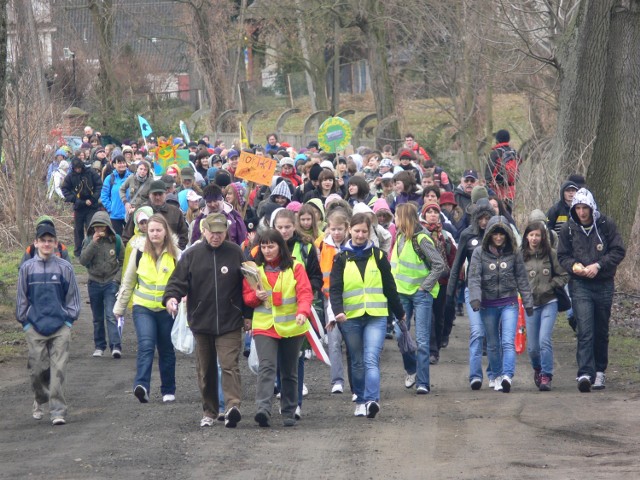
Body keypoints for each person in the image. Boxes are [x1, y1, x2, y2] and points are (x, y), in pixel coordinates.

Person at [164, 213, 250, 428]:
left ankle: (232, 407)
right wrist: (171, 298)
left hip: (230, 321)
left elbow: (249, 285)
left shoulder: (235, 253)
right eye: (212, 232)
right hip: (201, 322)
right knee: (206, 369)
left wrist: (248, 315)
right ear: (203, 231)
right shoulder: (192, 255)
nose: (216, 236)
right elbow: (177, 282)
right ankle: (210, 411)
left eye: (220, 233)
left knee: (229, 364)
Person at [330, 213, 405, 417]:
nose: (361, 235)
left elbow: (390, 287)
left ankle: (372, 400)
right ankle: (360, 400)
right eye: (357, 231)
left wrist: (400, 312)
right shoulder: (340, 258)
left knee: (371, 359)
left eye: (364, 231)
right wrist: (338, 311)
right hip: (351, 317)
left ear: (369, 232)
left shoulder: (379, 256)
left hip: (376, 315)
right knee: (357, 360)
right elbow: (335, 289)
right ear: (349, 231)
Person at [557, 188, 626, 392]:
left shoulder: (606, 225)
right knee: (584, 328)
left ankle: (600, 370)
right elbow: (562, 256)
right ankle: (585, 372)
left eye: (584, 208)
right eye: (577, 208)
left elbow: (618, 250)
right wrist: (574, 266)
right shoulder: (568, 229)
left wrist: (599, 265)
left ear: (591, 207)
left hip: (603, 282)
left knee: (600, 329)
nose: (581, 212)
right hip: (580, 284)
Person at [243, 229, 313, 427]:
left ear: (279, 246)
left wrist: (303, 311)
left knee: (289, 371)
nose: (267, 250)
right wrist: (256, 296)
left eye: (271, 246)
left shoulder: (296, 267)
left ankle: (289, 411)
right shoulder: (254, 270)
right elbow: (247, 297)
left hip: (293, 326)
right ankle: (263, 409)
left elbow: (305, 293)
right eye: (263, 246)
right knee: (267, 367)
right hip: (265, 326)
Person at [16, 221, 81, 425]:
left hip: (60, 327)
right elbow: (21, 299)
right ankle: (40, 397)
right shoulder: (27, 269)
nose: (46, 244)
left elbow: (73, 298)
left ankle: (58, 411)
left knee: (58, 369)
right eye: (42, 241)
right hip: (34, 327)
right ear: (35, 243)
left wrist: (69, 321)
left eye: (50, 241)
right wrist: (26, 323)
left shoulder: (64, 268)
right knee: (35, 369)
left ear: (55, 244)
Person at [114, 214, 181, 403]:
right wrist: (119, 308)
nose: (154, 234)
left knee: (166, 348)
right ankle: (141, 385)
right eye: (151, 230)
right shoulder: (139, 252)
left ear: (165, 232)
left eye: (158, 230)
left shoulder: (176, 253)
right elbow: (128, 281)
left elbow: (183, 281)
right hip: (142, 307)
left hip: (167, 309)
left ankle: (168, 389)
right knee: (146, 344)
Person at [468, 215, 534, 393]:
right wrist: (475, 299)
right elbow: (474, 278)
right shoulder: (479, 253)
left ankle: (507, 376)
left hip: (509, 302)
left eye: (502, 234)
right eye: (495, 234)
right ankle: (496, 375)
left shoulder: (514, 253)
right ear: (489, 234)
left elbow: (522, 278)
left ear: (507, 235)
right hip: (487, 304)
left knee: (507, 342)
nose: (498, 237)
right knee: (493, 343)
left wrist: (528, 303)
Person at [391, 203, 445, 392]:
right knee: (400, 334)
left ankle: (423, 382)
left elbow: (440, 265)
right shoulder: (398, 237)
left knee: (422, 340)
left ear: (404, 218)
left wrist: (425, 287)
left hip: (421, 295)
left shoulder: (422, 239)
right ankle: (412, 369)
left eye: (396, 216)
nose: (394, 220)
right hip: (401, 294)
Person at [446, 199, 497, 389]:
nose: (484, 222)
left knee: (493, 334)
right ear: (475, 218)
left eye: (487, 217)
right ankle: (475, 375)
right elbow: (457, 265)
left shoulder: (499, 235)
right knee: (477, 331)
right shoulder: (467, 235)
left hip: (495, 291)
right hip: (472, 289)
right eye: (481, 218)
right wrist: (450, 294)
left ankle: (493, 373)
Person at [521, 221, 568, 391]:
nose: (534, 238)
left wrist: (551, 285)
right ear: (526, 236)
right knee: (533, 347)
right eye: (531, 235)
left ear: (543, 237)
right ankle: (538, 369)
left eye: (538, 235)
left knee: (544, 340)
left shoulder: (551, 254)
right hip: (531, 305)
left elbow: (564, 275)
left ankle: (547, 375)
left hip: (549, 301)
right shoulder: (521, 256)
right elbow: (515, 278)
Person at [79, 212, 124, 358]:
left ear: (108, 227)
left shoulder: (116, 240)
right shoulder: (88, 241)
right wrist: (93, 243)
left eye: (102, 227)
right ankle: (99, 346)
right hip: (94, 282)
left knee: (111, 315)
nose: (99, 230)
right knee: (97, 317)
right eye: (96, 227)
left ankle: (115, 345)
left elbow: (123, 262)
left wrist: (117, 279)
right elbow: (83, 260)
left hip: (111, 282)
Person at [318, 209, 351, 395]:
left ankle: (355, 380)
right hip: (330, 297)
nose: (336, 232)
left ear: (347, 228)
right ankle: (337, 380)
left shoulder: (353, 244)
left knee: (352, 340)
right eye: (333, 229)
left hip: (351, 298)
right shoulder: (324, 246)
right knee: (334, 339)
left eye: (340, 229)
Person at [121, 180, 189, 250]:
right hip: (145, 255)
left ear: (165, 194)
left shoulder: (175, 212)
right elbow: (126, 236)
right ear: (149, 194)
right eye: (155, 194)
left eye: (160, 194)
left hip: (170, 254)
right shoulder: (140, 211)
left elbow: (184, 234)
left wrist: (176, 251)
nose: (157, 197)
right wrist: (136, 253)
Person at [61, 156, 103, 257]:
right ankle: (78, 251)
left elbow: (99, 185)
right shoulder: (70, 176)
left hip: (92, 206)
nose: (78, 170)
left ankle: (92, 249)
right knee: (78, 229)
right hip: (79, 206)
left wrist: (93, 199)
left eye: (79, 168)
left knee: (91, 228)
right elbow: (65, 189)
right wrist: (76, 200)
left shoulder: (90, 173)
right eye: (76, 168)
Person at [485, 129, 520, 209]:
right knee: (508, 217)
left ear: (497, 140)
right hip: (510, 194)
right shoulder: (514, 153)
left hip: (497, 194)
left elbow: (488, 177)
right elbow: (516, 175)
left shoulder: (495, 154)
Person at [101, 155, 131, 235]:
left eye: (124, 163)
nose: (122, 165)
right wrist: (110, 208)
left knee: (130, 238)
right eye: (119, 163)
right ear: (114, 165)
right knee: (117, 238)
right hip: (115, 215)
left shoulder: (131, 177)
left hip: (129, 214)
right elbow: (104, 195)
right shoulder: (109, 178)